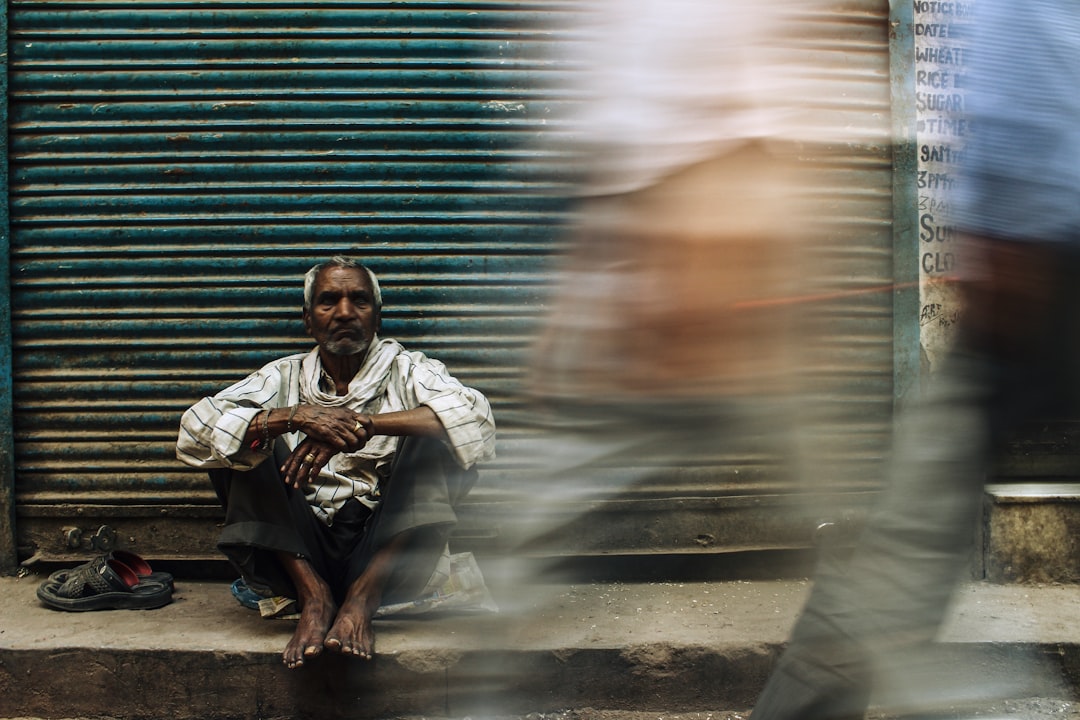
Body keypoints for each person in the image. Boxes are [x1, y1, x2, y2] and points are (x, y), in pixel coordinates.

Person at [750, 1, 1080, 717]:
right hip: (1045, 241)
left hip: (1048, 250)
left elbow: (1034, 53)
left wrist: (1014, 225)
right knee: (908, 537)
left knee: (909, 536)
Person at [176, 256, 496, 669]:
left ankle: (363, 597)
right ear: (308, 319)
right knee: (239, 435)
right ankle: (315, 598)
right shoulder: (282, 376)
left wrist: (366, 425)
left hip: (388, 554)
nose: (345, 312)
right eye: (329, 301)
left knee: (441, 429)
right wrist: (293, 417)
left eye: (359, 300)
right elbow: (194, 431)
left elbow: (476, 418)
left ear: (376, 316)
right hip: (300, 556)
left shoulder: (409, 369)